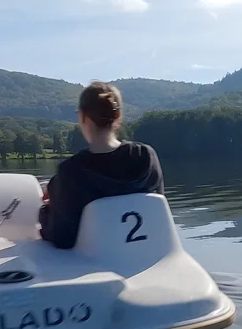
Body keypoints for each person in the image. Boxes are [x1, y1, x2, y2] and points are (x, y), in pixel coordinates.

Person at [39, 81, 164, 249]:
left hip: (96, 263)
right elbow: (159, 211)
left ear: (82, 116)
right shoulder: (146, 157)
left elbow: (63, 238)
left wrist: (44, 213)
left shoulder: (71, 171)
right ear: (118, 116)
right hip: (148, 255)